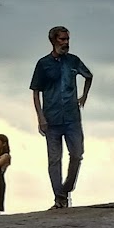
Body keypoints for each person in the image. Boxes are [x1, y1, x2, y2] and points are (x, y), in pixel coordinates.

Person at [29, 26, 93, 210]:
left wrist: (84, 95)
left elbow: (89, 76)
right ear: (53, 41)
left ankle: (66, 188)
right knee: (54, 160)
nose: (66, 43)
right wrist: (40, 117)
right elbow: (35, 93)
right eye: (62, 39)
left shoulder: (73, 61)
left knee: (77, 154)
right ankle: (59, 198)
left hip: (72, 117)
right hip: (52, 119)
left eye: (67, 39)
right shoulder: (43, 64)